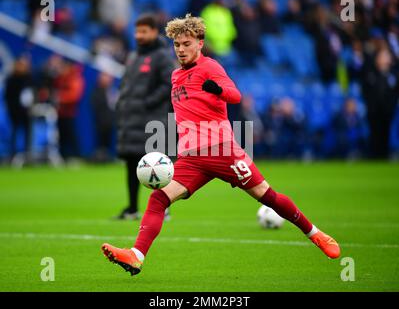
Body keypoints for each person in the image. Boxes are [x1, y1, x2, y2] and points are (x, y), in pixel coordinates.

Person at [101, 14, 341, 276]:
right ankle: (136, 256)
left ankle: (315, 234)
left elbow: (235, 96)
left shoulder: (211, 68)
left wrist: (217, 90)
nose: (181, 49)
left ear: (200, 43)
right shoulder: (175, 76)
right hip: (191, 156)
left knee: (267, 196)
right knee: (158, 199)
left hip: (221, 151)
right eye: (177, 45)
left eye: (186, 44)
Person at [114, 14, 175, 220]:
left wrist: (147, 103)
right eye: (137, 31)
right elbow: (126, 86)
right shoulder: (133, 56)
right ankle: (132, 209)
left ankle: (163, 209)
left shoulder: (163, 56)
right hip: (131, 121)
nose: (139, 35)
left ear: (154, 32)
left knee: (156, 166)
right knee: (132, 165)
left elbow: (169, 85)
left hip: (153, 122)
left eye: (143, 31)